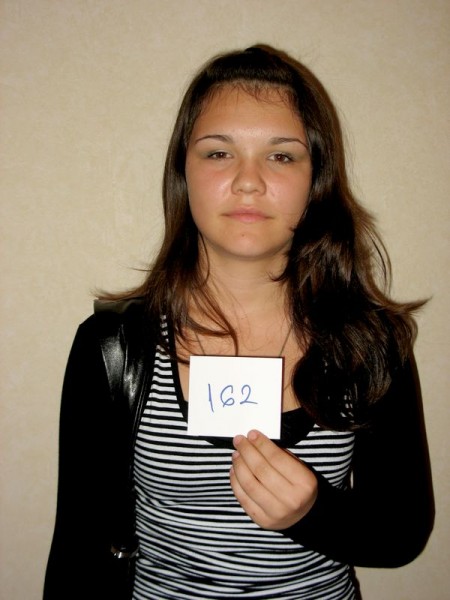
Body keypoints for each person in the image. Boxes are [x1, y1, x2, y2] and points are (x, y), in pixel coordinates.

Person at [44, 45, 434, 600]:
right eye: (218, 153)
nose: (248, 181)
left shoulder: (369, 342)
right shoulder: (113, 348)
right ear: (184, 171)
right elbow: (78, 548)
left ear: (315, 179)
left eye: (281, 156)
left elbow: (402, 534)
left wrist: (313, 514)